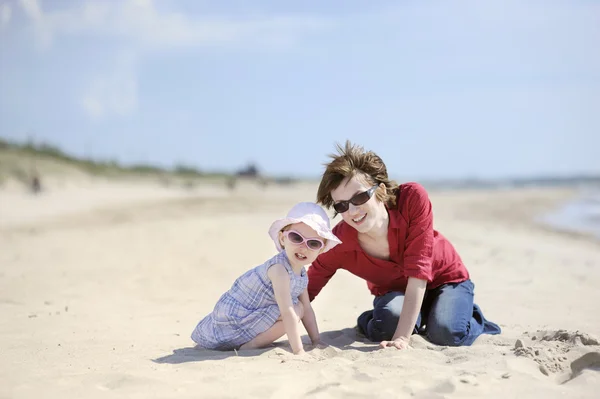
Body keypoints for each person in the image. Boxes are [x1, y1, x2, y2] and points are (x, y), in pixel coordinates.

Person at [307, 141, 501, 350]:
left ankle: (469, 315)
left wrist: (402, 338)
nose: (352, 211)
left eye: (360, 196)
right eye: (342, 205)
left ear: (380, 190)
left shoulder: (411, 199)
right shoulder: (338, 242)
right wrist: (273, 322)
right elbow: (307, 287)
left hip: (445, 280)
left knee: (446, 333)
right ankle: (382, 318)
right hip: (395, 293)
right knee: (385, 327)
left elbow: (418, 269)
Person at [191, 202, 342, 355]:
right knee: (296, 309)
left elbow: (307, 309)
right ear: (283, 238)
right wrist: (298, 350)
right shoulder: (279, 270)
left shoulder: (301, 273)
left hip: (253, 316)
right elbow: (288, 312)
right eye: (296, 237)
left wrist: (316, 340)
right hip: (236, 320)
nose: (303, 247)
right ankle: (251, 345)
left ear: (321, 249)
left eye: (313, 243)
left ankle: (253, 342)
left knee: (301, 308)